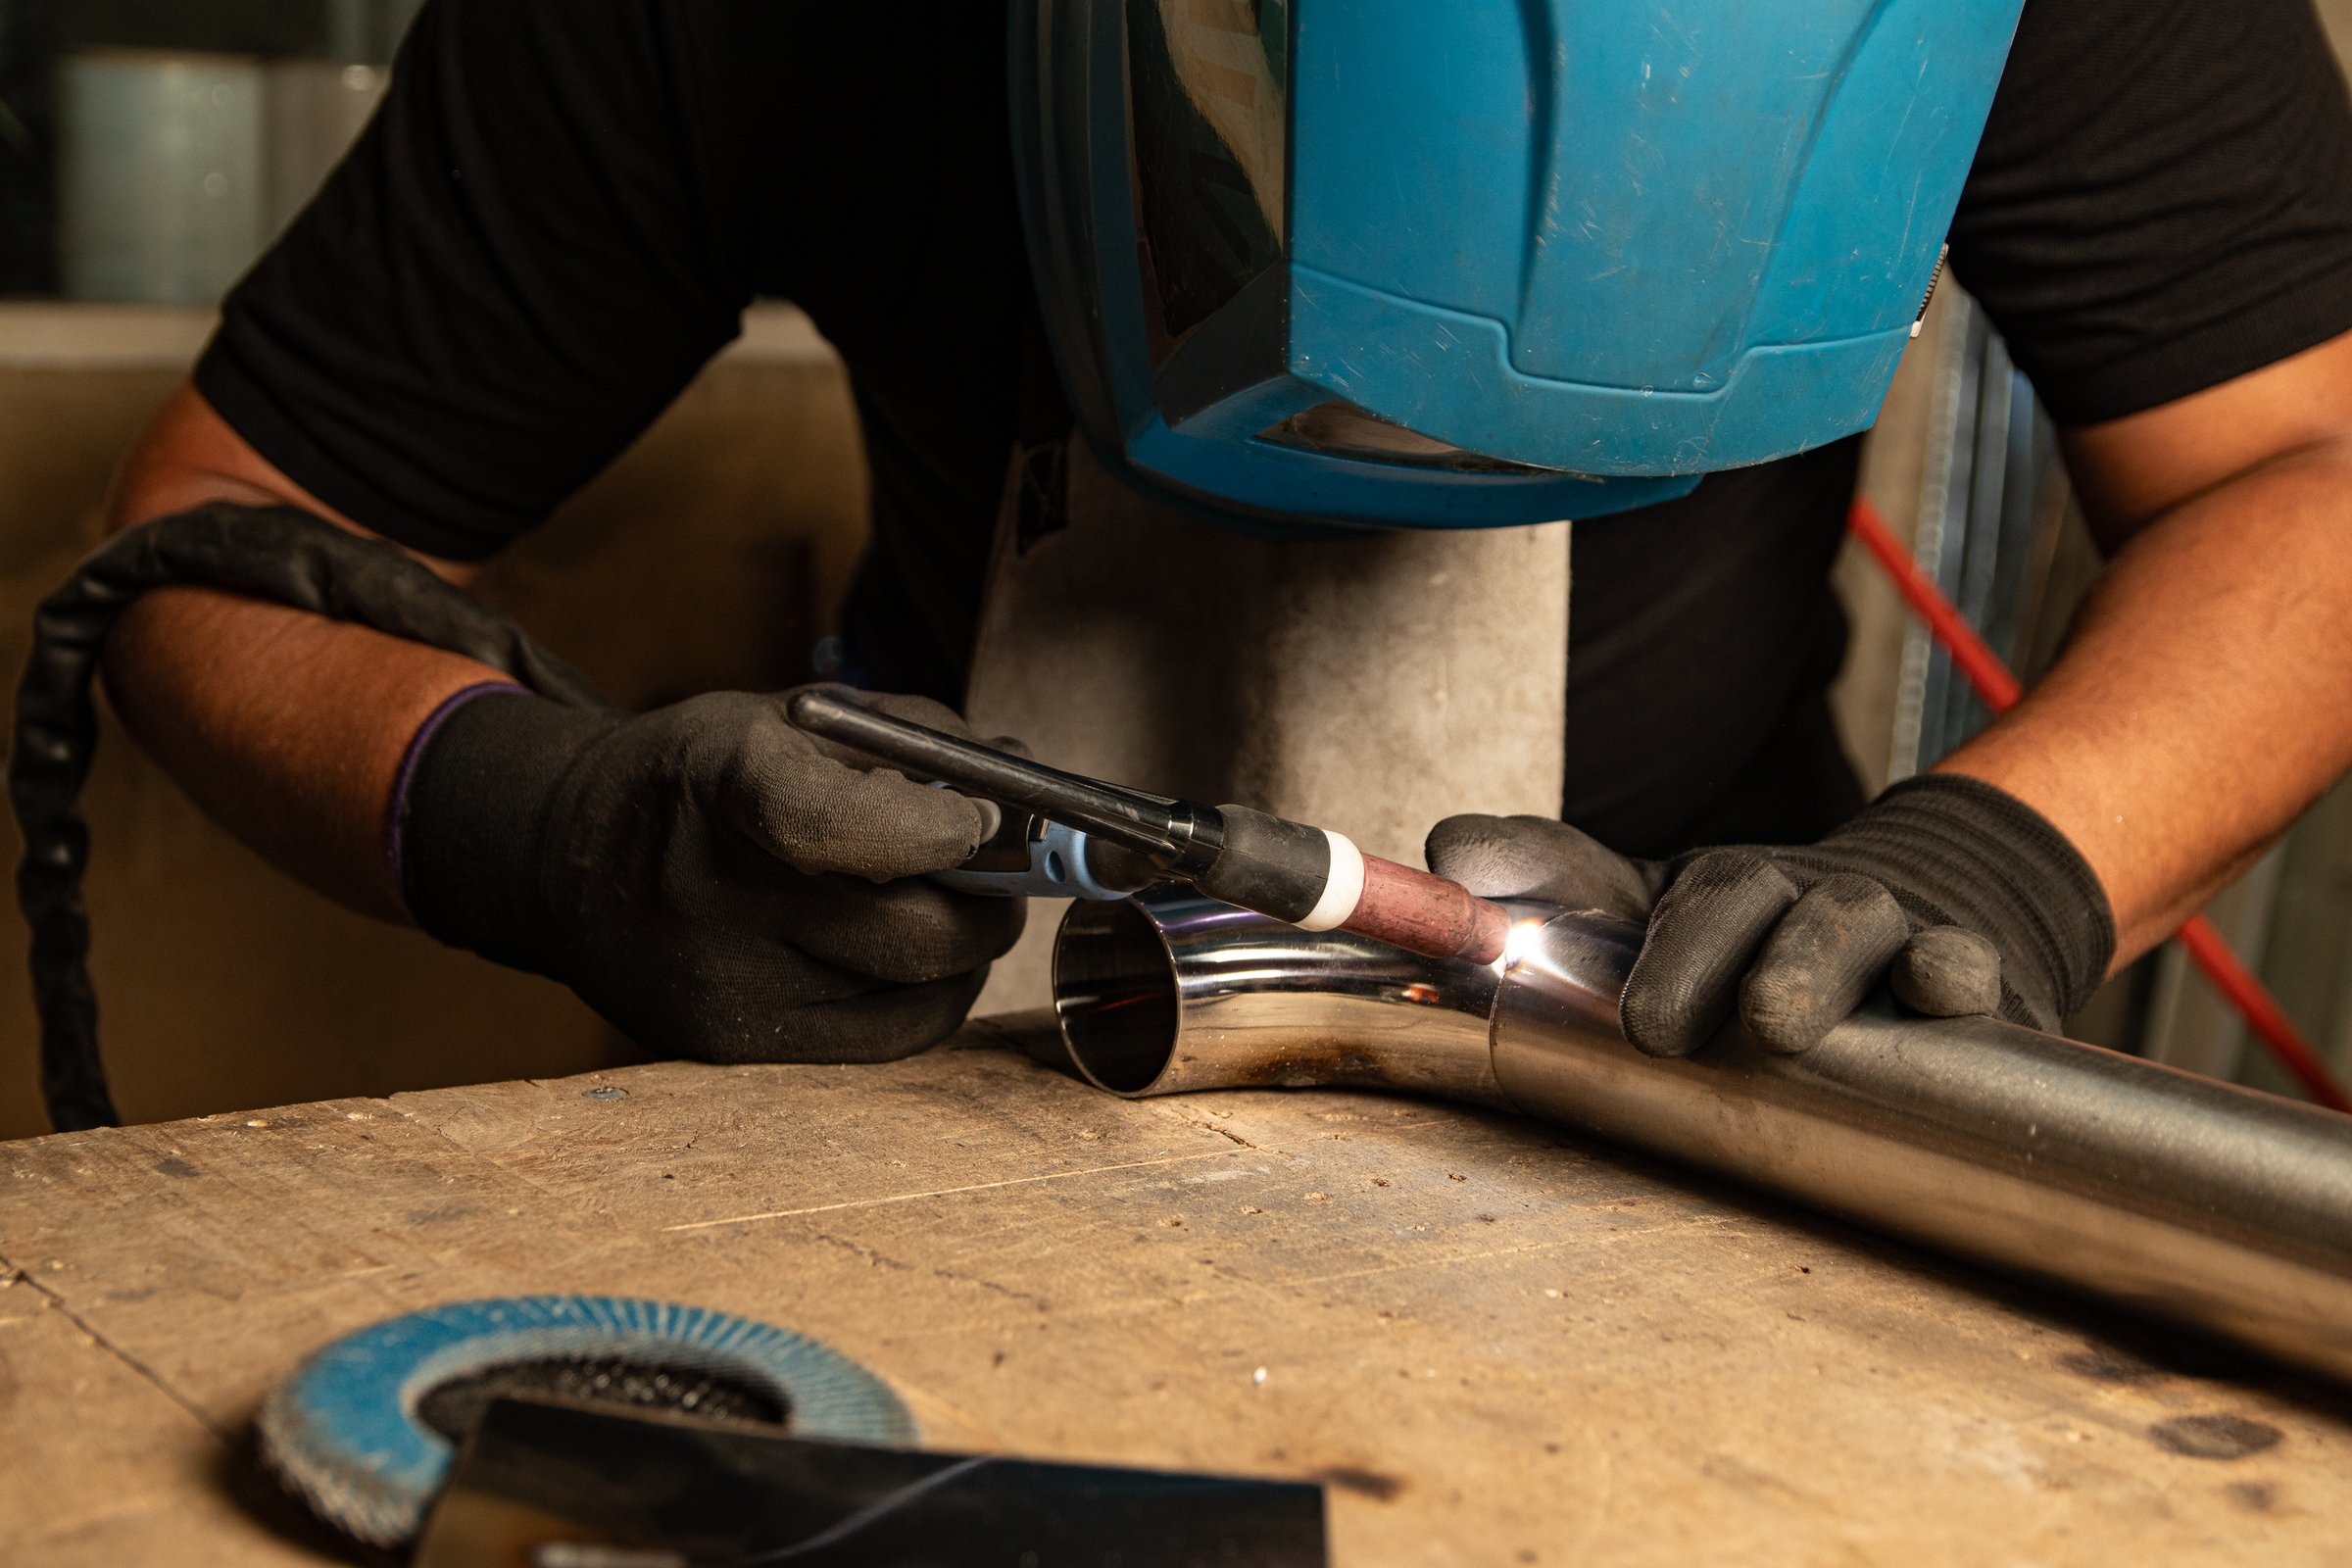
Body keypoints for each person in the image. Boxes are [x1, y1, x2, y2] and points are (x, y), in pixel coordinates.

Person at [97, 0, 2352, 1069]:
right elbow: (210, 539)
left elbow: (2312, 472)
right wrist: (540, 824)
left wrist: (2007, 861)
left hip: (1693, 1004)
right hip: (931, 1011)